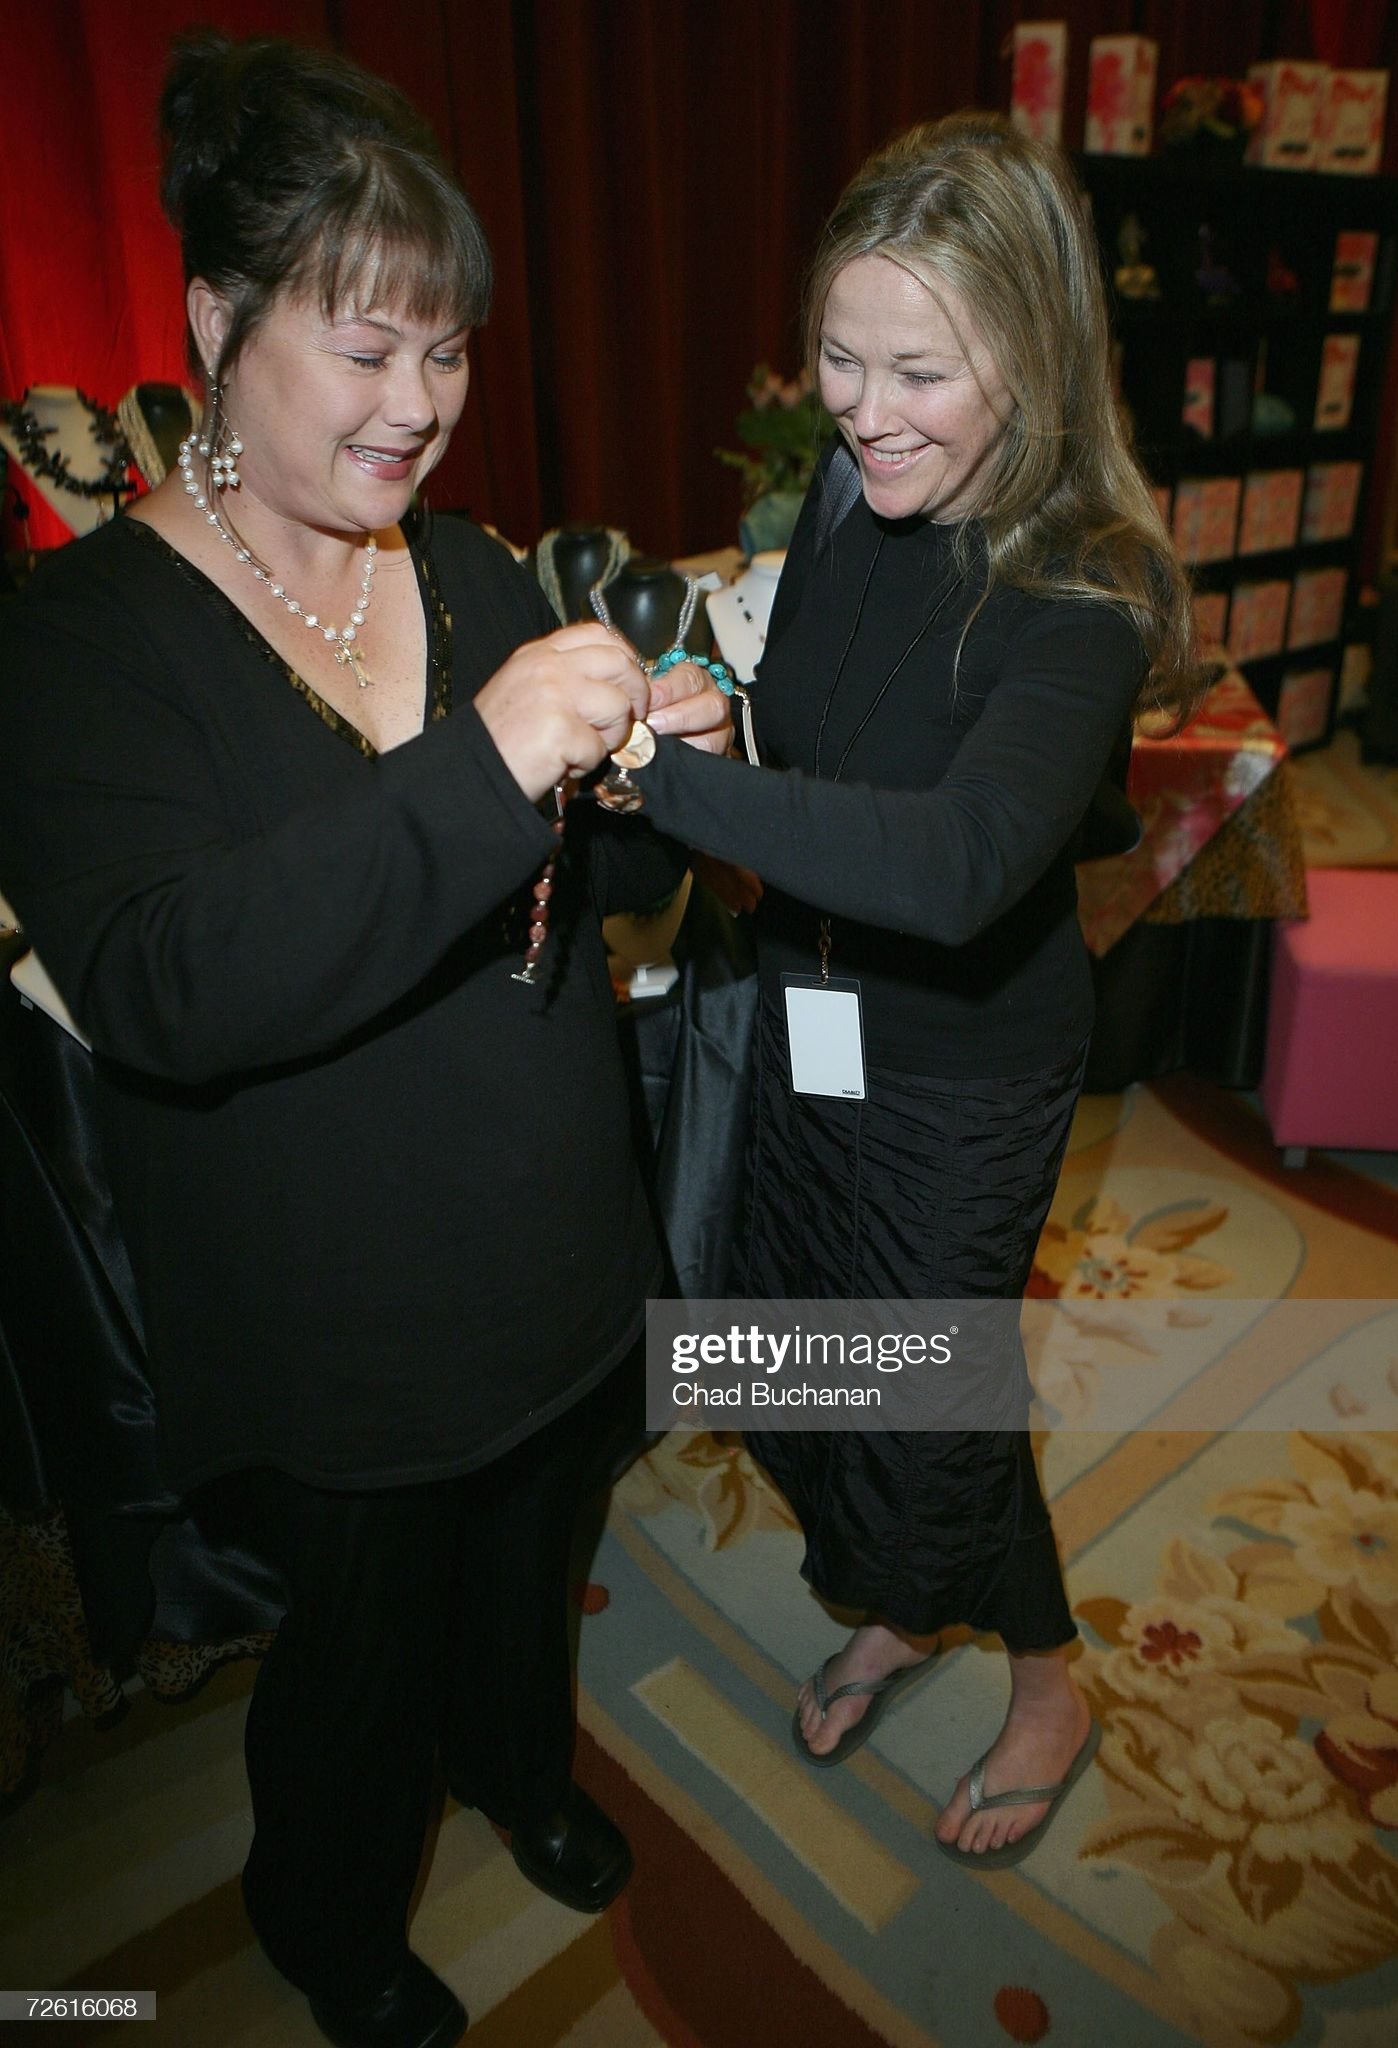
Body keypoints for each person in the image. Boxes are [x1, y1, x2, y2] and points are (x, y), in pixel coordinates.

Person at [0, 33, 727, 2048]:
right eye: (366, 349)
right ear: (215, 328)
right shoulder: (75, 644)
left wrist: (667, 783)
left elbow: (593, 904)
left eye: (451, 352)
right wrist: (489, 764)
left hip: (551, 1250)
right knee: (358, 1655)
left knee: (528, 1576)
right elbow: (165, 980)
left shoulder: (473, 571)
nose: (421, 404)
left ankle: (515, 1767)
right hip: (339, 1317)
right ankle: (325, 1917)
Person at [624, 113, 1202, 1870]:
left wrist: (665, 788)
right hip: (808, 1021)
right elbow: (823, 740)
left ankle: (1045, 1676)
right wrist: (718, 722)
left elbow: (954, 864)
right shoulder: (852, 487)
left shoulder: (1085, 588)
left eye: (919, 374)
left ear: (1031, 356)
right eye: (839, 357)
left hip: (961, 1075)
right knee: (816, 1358)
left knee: (932, 1401)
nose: (863, 412)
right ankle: (898, 1603)